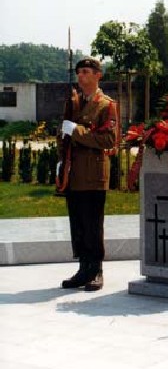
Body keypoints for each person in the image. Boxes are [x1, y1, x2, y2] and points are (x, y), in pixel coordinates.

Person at [57, 57, 118, 291]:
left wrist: (78, 131)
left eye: (85, 71)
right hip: (73, 173)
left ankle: (96, 270)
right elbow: (62, 132)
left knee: (93, 224)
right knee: (78, 224)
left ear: (97, 75)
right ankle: (83, 269)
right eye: (78, 72)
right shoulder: (73, 102)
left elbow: (109, 139)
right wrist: (61, 160)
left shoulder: (106, 105)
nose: (80, 76)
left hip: (93, 174)